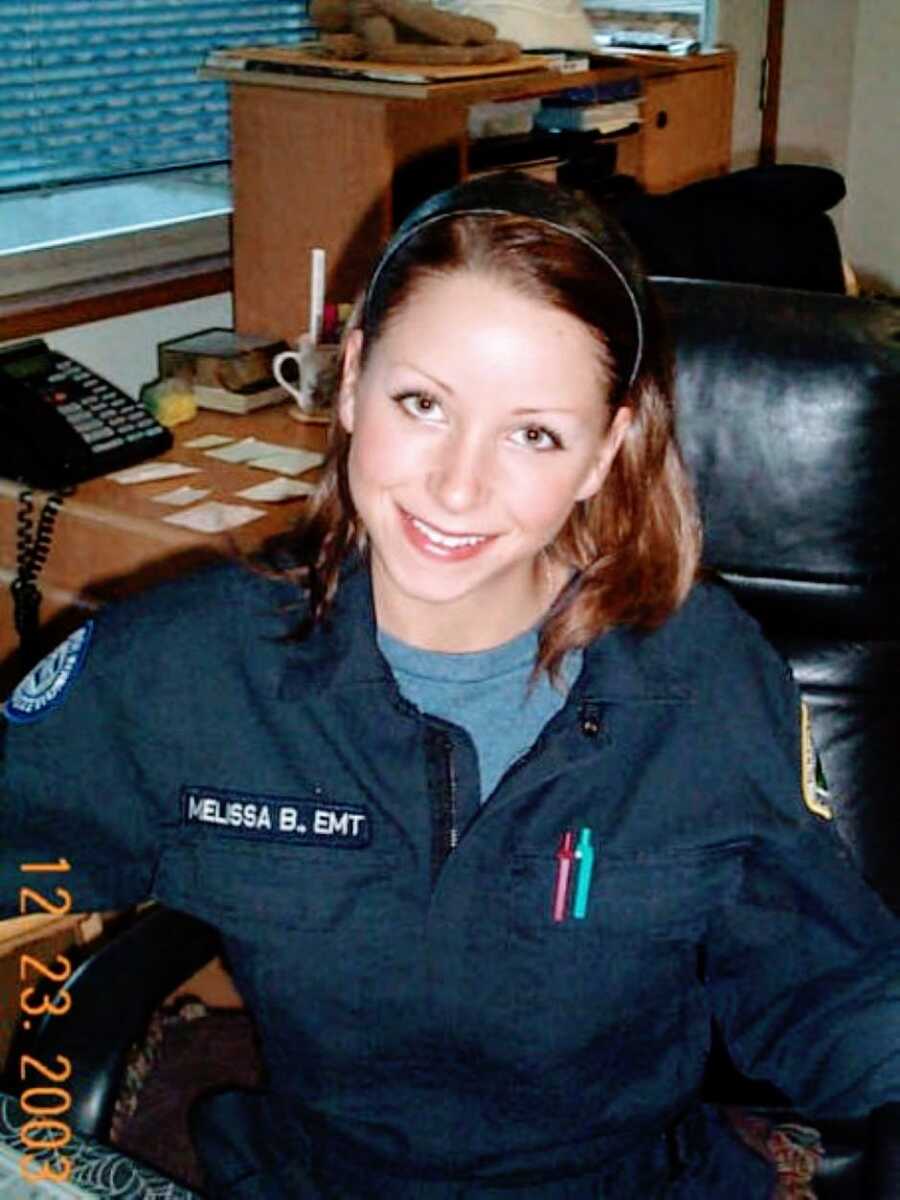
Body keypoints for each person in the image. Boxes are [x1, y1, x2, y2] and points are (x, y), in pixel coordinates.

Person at [2, 172, 899, 1199]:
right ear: (349, 387)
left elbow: (830, 980)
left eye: (535, 434)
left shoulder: (701, 675)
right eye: (422, 403)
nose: (458, 486)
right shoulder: (188, 669)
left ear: (605, 454)